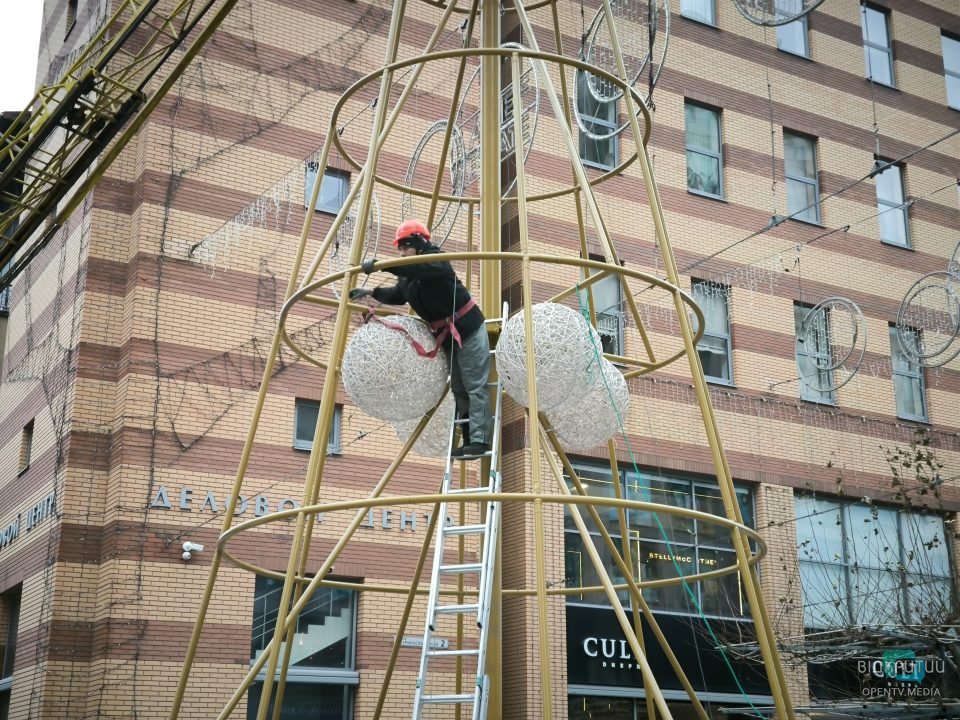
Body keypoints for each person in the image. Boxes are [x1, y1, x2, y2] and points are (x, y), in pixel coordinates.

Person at [349, 219, 492, 459]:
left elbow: (423, 269)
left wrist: (385, 266)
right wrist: (373, 292)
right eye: (400, 249)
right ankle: (468, 438)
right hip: (447, 336)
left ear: (419, 243)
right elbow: (400, 294)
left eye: (405, 246)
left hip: (468, 329)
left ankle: (479, 439)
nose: (402, 252)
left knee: (474, 385)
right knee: (459, 387)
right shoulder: (408, 275)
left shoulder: (435, 260)